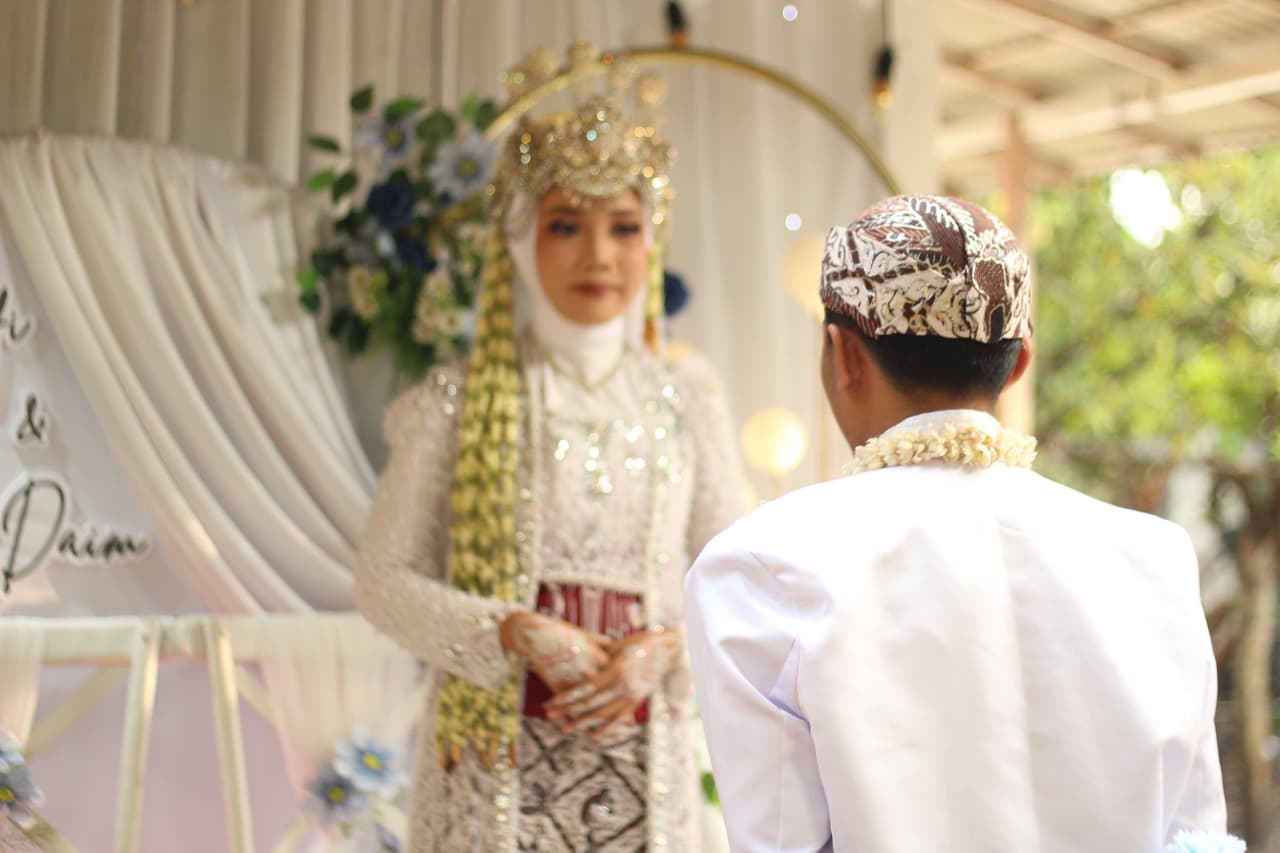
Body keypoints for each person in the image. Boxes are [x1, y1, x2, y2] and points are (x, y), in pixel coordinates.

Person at [684, 194, 1234, 852]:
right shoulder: (1155, 558)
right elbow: (1198, 838)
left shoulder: (761, 565)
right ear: (1020, 360)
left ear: (843, 354)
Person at [356, 46, 746, 852]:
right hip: (491, 775)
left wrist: (664, 650)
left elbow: (737, 579)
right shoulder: (455, 401)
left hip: (645, 759)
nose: (599, 255)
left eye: (624, 227)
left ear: (652, 240)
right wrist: (514, 632)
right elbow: (383, 580)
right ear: (519, 237)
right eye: (567, 225)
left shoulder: (685, 397)